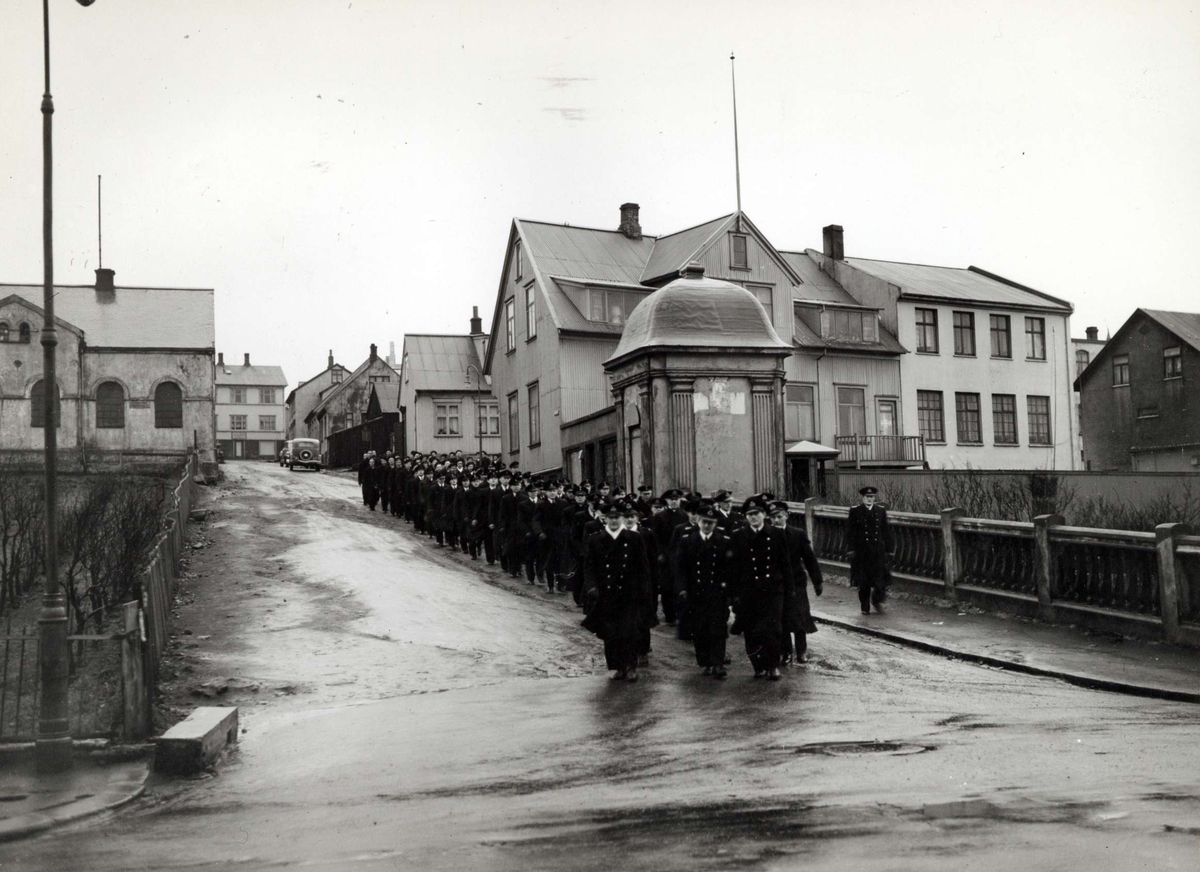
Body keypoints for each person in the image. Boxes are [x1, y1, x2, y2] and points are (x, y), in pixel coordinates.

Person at [581, 503, 652, 682]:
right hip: (606, 593)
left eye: (617, 518)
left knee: (629, 630)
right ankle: (617, 667)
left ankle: (631, 666)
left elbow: (643, 566)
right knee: (610, 632)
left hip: (629, 592)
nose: (613, 521)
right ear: (604, 519)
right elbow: (589, 567)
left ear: (622, 518)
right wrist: (591, 587)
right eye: (610, 518)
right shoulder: (595, 539)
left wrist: (644, 590)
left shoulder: (634, 538)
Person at [729, 495, 792, 680]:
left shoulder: (777, 534)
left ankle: (773, 665)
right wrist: (733, 596)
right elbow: (733, 568)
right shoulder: (739, 536)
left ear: (764, 514)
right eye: (749, 515)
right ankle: (758, 665)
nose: (753, 517)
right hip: (749, 592)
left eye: (756, 513)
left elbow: (785, 564)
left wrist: (790, 590)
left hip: (773, 591)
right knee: (751, 630)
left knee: (773, 629)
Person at [675, 502, 733, 678]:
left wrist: (729, 592)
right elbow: (680, 568)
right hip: (695, 592)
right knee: (700, 629)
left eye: (711, 523)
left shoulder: (723, 541)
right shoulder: (688, 541)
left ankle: (718, 663)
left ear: (715, 524)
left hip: (717, 593)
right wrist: (682, 588)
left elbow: (729, 569)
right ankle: (705, 662)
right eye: (704, 522)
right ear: (699, 521)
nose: (707, 525)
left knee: (718, 629)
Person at [768, 500, 824, 664]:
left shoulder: (797, 534)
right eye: (773, 518)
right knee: (782, 619)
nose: (776, 520)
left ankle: (801, 651)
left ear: (786, 516)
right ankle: (785, 653)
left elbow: (809, 559)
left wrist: (817, 582)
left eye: (779, 516)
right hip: (777, 584)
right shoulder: (767, 535)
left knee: (800, 617)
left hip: (797, 582)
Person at [847, 486, 894, 615]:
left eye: (872, 497)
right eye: (867, 497)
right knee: (864, 581)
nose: (869, 499)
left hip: (877, 552)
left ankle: (876, 600)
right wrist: (851, 549)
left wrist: (890, 549)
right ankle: (865, 605)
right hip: (862, 552)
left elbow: (886, 531)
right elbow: (850, 532)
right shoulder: (855, 511)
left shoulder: (880, 511)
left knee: (880, 580)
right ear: (863, 498)